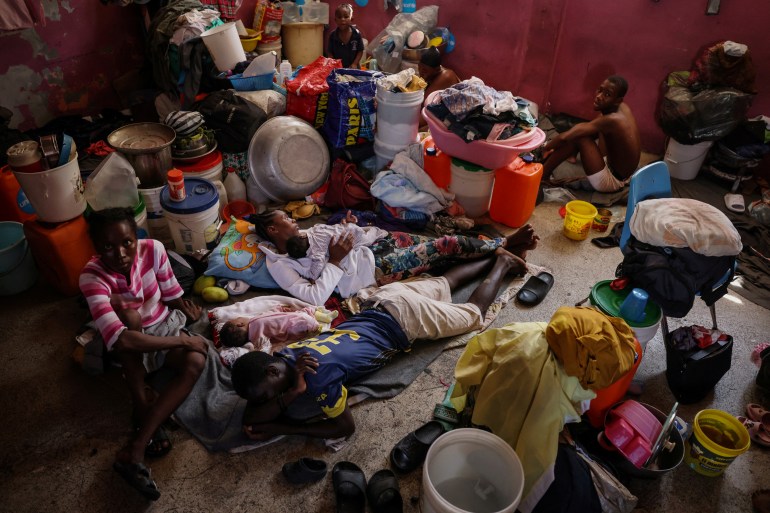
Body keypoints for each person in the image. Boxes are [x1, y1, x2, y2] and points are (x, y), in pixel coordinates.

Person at [231, 248, 527, 440]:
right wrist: (286, 396)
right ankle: (496, 252)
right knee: (444, 283)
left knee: (472, 315)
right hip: (382, 302)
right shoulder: (286, 355)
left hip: (405, 322)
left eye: (271, 395)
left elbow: (344, 428)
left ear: (272, 373)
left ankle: (502, 262)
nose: (272, 400)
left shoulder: (317, 380)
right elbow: (252, 417)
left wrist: (284, 417)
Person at [79, 207, 208, 501]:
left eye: (127, 242)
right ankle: (140, 406)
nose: (121, 254)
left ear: (135, 238)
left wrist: (187, 314)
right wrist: (181, 343)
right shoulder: (91, 277)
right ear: (96, 248)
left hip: (162, 324)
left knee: (197, 360)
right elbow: (123, 340)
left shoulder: (154, 250)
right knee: (131, 319)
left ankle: (138, 439)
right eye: (108, 246)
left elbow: (172, 295)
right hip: (127, 339)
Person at [251, 209, 539, 305]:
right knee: (445, 245)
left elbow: (336, 235)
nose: (293, 220)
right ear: (273, 229)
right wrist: (336, 261)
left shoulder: (308, 232)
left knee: (437, 252)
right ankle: (508, 242)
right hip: (375, 269)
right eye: (286, 218)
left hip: (377, 244)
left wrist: (349, 227)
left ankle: (501, 251)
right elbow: (313, 297)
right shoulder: (279, 265)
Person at [541, 75, 641, 192]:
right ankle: (571, 152)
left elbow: (564, 137)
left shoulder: (613, 120)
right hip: (618, 167)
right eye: (600, 90)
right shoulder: (622, 108)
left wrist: (546, 147)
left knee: (578, 137)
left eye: (607, 95)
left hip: (613, 181)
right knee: (585, 129)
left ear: (618, 100)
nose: (599, 96)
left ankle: (542, 176)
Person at [326, 3, 364, 69]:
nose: (342, 19)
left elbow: (360, 51)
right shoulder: (332, 36)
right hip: (338, 69)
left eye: (346, 17)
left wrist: (354, 64)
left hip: (353, 69)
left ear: (351, 19)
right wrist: (332, 63)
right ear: (335, 20)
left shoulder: (356, 34)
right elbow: (330, 53)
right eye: (339, 17)